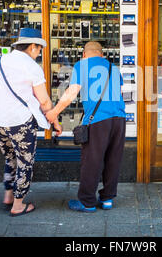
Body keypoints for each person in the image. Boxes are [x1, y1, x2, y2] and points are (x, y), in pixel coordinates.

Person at [0, 28, 62, 217]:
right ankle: (18, 205)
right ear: (32, 47)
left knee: (10, 158)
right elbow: (44, 101)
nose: (39, 53)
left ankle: (7, 195)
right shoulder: (31, 67)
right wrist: (53, 120)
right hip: (21, 122)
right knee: (24, 162)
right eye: (39, 49)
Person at [46, 41, 126, 213]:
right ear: (102, 55)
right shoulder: (114, 68)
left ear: (84, 54)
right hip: (119, 119)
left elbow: (72, 91)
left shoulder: (81, 65)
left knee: (92, 160)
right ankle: (107, 199)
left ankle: (87, 202)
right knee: (113, 159)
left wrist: (54, 112)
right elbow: (118, 93)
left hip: (98, 120)